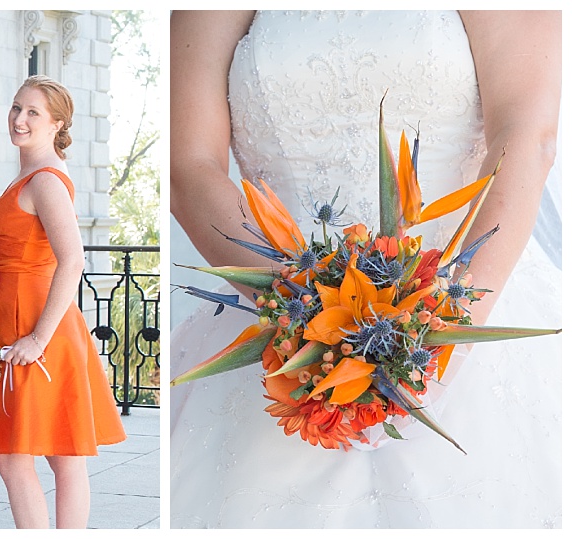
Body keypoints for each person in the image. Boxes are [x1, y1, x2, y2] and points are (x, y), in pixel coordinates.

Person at [166, 11, 561, 527]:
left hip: (470, 295)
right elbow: (187, 163)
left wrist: (443, 340)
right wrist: (302, 314)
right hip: (273, 309)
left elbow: (527, 136)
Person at [0, 76, 127, 529]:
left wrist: (37, 338)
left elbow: (73, 261)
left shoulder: (47, 179)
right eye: (17, 108)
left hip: (38, 323)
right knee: (26, 454)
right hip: (12, 314)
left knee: (49, 454)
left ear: (57, 124)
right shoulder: (30, 173)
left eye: (33, 112)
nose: (19, 119)